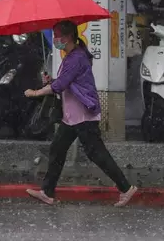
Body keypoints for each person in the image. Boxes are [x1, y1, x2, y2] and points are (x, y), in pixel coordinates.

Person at [24, 20, 138, 207]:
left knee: (97, 153)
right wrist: (50, 80)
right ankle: (47, 192)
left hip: (83, 115)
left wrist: (35, 92)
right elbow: (64, 82)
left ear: (68, 37)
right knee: (57, 150)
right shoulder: (71, 56)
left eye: (57, 36)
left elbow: (60, 86)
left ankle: (125, 188)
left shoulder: (76, 57)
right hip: (72, 116)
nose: (55, 39)